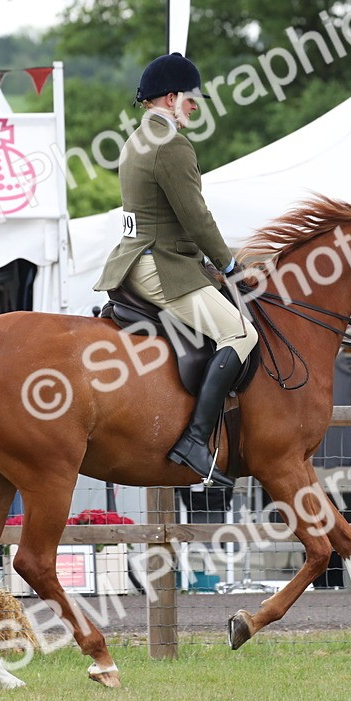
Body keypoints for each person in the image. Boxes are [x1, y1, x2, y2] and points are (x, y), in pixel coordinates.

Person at [93, 52, 257, 489]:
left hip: (136, 260)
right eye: (190, 99)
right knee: (242, 333)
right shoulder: (170, 143)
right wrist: (228, 264)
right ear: (170, 98)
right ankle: (196, 441)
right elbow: (196, 217)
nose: (195, 106)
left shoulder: (136, 140)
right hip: (160, 266)